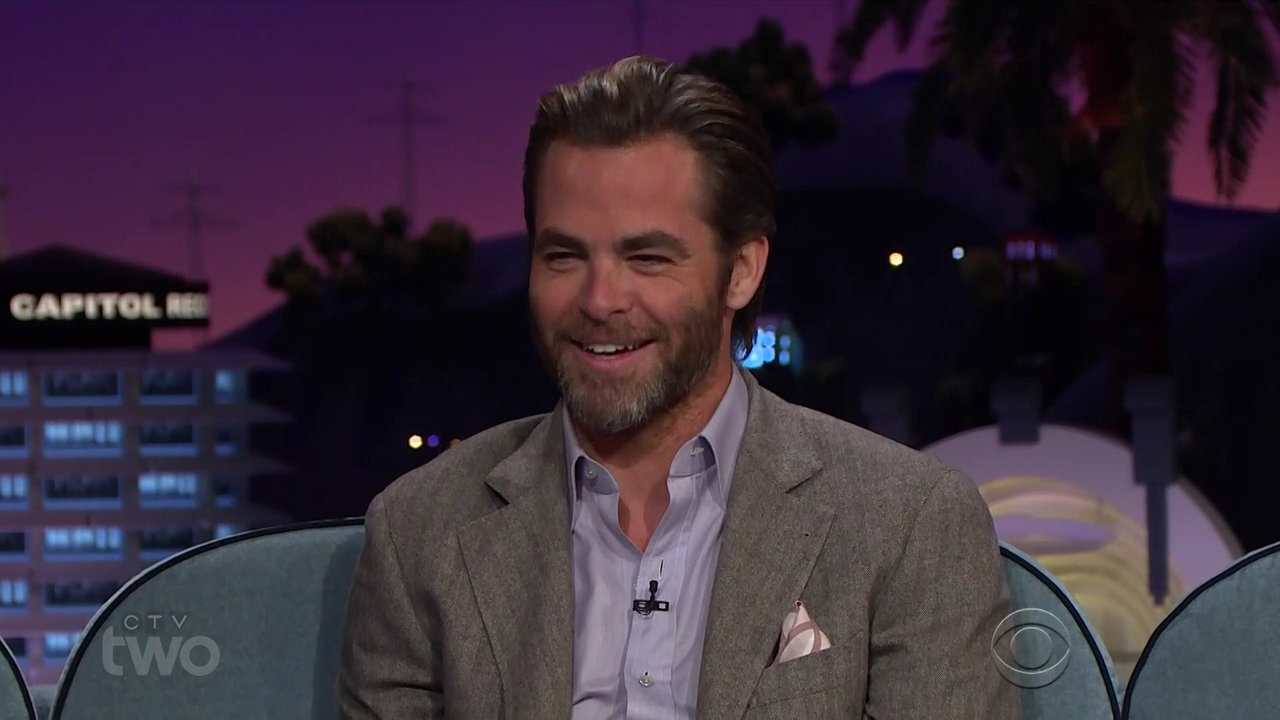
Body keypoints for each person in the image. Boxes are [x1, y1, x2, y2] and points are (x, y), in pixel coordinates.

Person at [336, 55, 1019, 719]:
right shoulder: (420, 533)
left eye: (647, 258)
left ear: (741, 270)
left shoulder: (908, 525)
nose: (599, 300)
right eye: (564, 256)